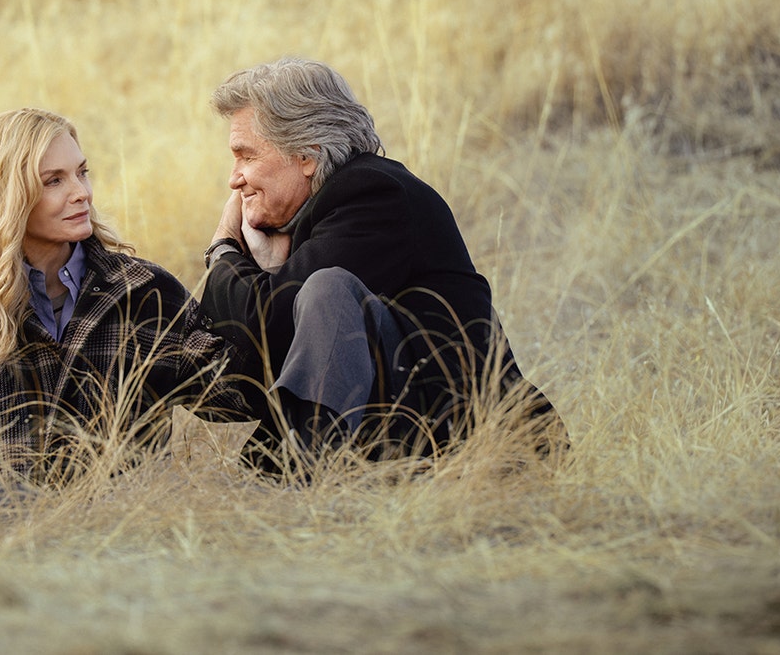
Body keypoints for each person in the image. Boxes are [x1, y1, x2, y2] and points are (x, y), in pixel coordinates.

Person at [200, 57, 563, 465]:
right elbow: (258, 349)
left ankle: (306, 475)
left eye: (246, 156)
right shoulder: (318, 214)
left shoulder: (373, 194)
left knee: (327, 290)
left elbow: (267, 321)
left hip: (474, 444)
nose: (234, 178)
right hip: (410, 435)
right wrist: (269, 270)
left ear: (307, 155)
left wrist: (223, 248)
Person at [0, 108, 242, 505]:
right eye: (54, 181)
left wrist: (237, 261)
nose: (81, 193)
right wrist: (35, 514)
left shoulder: (145, 292)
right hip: (7, 533)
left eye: (82, 172)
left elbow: (237, 395)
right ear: (6, 195)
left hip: (131, 531)